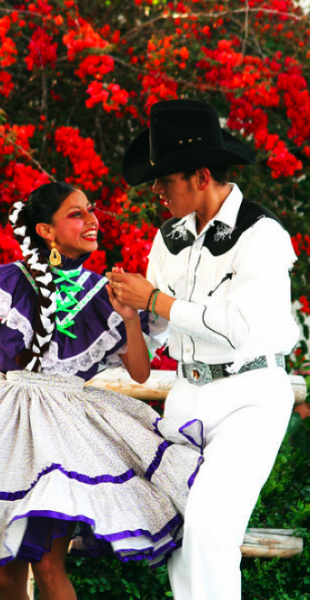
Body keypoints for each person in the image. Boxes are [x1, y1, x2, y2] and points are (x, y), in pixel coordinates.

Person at [0, 182, 203, 600]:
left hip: (62, 435)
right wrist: (7, 368)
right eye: (76, 214)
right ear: (45, 230)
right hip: (7, 426)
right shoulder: (9, 279)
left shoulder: (104, 294)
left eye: (91, 210)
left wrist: (131, 320)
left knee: (48, 565)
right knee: (6, 574)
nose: (92, 220)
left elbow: (139, 372)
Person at [107, 99, 299, 600]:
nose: (156, 190)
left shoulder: (263, 235)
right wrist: (132, 316)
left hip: (250, 396)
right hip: (187, 396)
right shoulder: (165, 239)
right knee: (179, 536)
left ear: (200, 176)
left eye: (165, 179)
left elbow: (238, 327)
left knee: (210, 528)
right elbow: (150, 350)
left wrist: (153, 298)